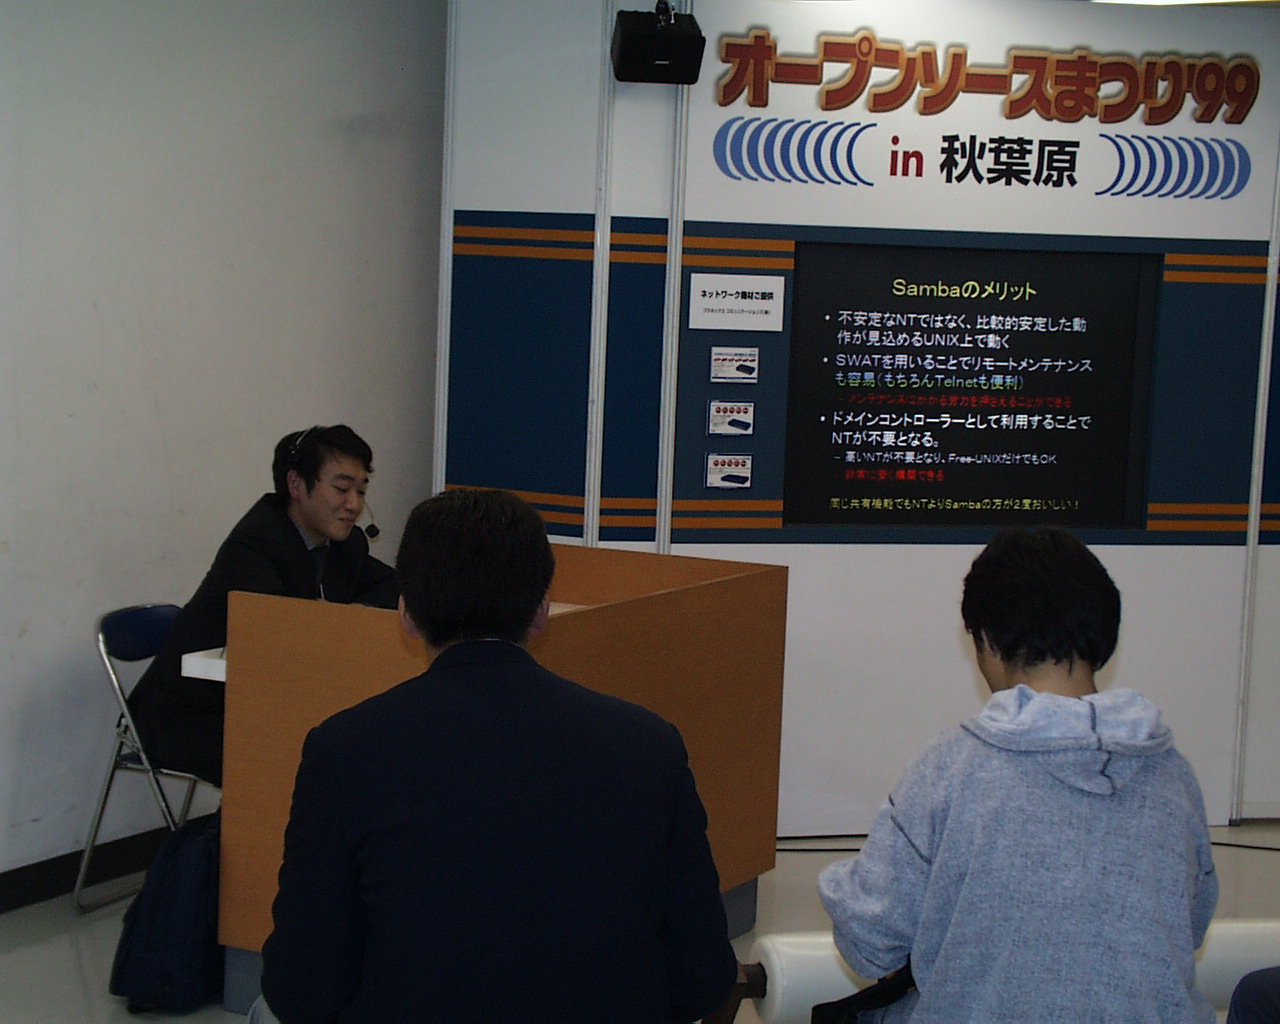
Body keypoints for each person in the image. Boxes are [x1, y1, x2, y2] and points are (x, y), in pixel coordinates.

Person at [253, 488, 737, 1024]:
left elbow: (302, 986)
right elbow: (702, 976)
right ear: (541, 611)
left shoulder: (344, 750)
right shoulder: (649, 744)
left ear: (406, 613)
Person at [818, 525, 1219, 1023]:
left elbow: (869, 942)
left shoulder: (949, 768)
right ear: (1105, 632)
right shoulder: (1173, 775)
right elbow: (1190, 925)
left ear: (987, 640)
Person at [128, 425, 398, 786]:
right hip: (191, 714)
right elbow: (277, 635)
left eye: (361, 491)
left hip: (261, 700)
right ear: (296, 484)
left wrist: (355, 614)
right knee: (316, 755)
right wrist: (338, 621)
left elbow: (393, 586)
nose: (354, 505)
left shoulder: (346, 544)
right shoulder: (255, 544)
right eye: (342, 488)